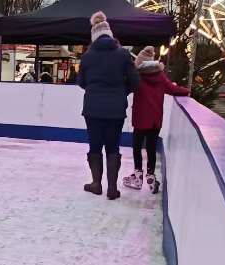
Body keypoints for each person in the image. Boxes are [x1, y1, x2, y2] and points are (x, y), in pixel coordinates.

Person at [78, 11, 140, 200]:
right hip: (116, 108)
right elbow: (135, 82)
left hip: (92, 108)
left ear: (93, 36)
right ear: (110, 34)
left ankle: (96, 184)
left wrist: (95, 90)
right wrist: (121, 93)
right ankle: (112, 188)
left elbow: (81, 82)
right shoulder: (123, 55)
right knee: (113, 146)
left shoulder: (87, 57)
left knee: (95, 145)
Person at [123, 46, 189, 193]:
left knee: (137, 146)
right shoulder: (160, 76)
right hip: (155, 119)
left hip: (140, 118)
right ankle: (151, 175)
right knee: (151, 147)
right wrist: (186, 91)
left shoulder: (137, 75)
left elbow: (125, 88)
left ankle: (138, 174)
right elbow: (173, 89)